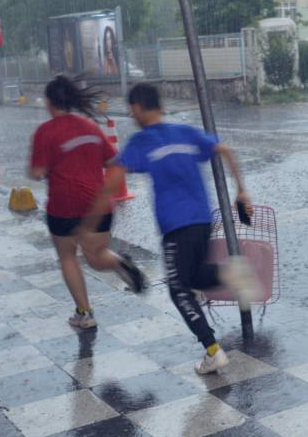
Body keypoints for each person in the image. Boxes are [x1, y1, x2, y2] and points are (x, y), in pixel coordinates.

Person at [84, 83, 261, 374]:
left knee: (178, 290)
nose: (132, 114)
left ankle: (212, 350)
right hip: (203, 220)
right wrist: (242, 192)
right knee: (192, 276)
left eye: (132, 110)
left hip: (176, 226)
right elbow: (225, 150)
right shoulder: (186, 132)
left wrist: (91, 222)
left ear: (137, 109)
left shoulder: (143, 141)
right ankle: (229, 272)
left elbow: (112, 181)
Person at [29, 74, 145, 329]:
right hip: (98, 205)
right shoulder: (91, 128)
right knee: (97, 255)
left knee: (68, 257)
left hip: (64, 206)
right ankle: (119, 262)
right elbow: (112, 160)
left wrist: (51, 167)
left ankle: (85, 313)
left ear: (49, 103)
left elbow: (36, 173)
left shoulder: (45, 132)